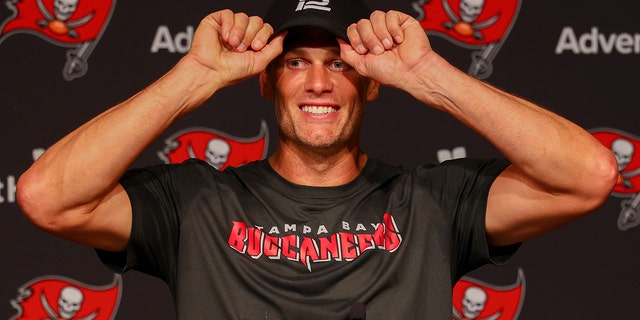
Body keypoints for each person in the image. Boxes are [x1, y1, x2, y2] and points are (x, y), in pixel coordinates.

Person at [16, 0, 617, 318]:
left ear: (372, 81)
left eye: (340, 63)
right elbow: (47, 197)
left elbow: (587, 177)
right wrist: (193, 76)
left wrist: (429, 75)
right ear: (267, 80)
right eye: (297, 63)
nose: (319, 84)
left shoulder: (431, 203)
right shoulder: (196, 205)